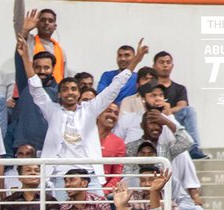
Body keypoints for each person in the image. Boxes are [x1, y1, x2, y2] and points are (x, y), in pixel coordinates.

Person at [17, 36, 145, 187]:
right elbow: (36, 88)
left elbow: (114, 88)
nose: (69, 93)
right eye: (65, 90)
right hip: (60, 175)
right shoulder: (52, 110)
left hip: (89, 174)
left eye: (73, 89)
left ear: (79, 93)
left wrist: (136, 61)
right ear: (59, 94)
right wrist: (25, 56)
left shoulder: (90, 109)